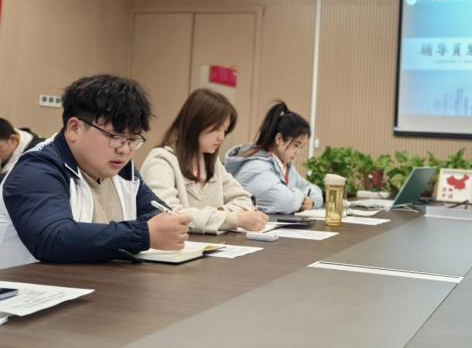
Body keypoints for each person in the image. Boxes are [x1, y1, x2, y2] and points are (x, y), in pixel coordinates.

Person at [0, 74, 190, 270]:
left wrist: (169, 225)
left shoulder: (123, 170)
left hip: (96, 282)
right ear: (74, 128)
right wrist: (143, 234)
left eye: (132, 140)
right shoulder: (37, 169)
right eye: (115, 137)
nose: (125, 149)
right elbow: (53, 238)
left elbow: (156, 214)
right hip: (29, 286)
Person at [141, 89, 268, 234]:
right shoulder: (161, 160)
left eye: (225, 130)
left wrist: (216, 215)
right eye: (217, 129)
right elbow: (168, 214)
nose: (221, 137)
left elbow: (245, 200)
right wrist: (233, 219)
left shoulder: (211, 162)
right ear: (195, 124)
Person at [225, 101, 323, 215]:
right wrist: (302, 197)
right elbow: (285, 202)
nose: (298, 152)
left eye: (302, 147)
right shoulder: (256, 166)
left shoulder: (286, 166)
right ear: (279, 139)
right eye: (296, 145)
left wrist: (312, 202)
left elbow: (312, 189)